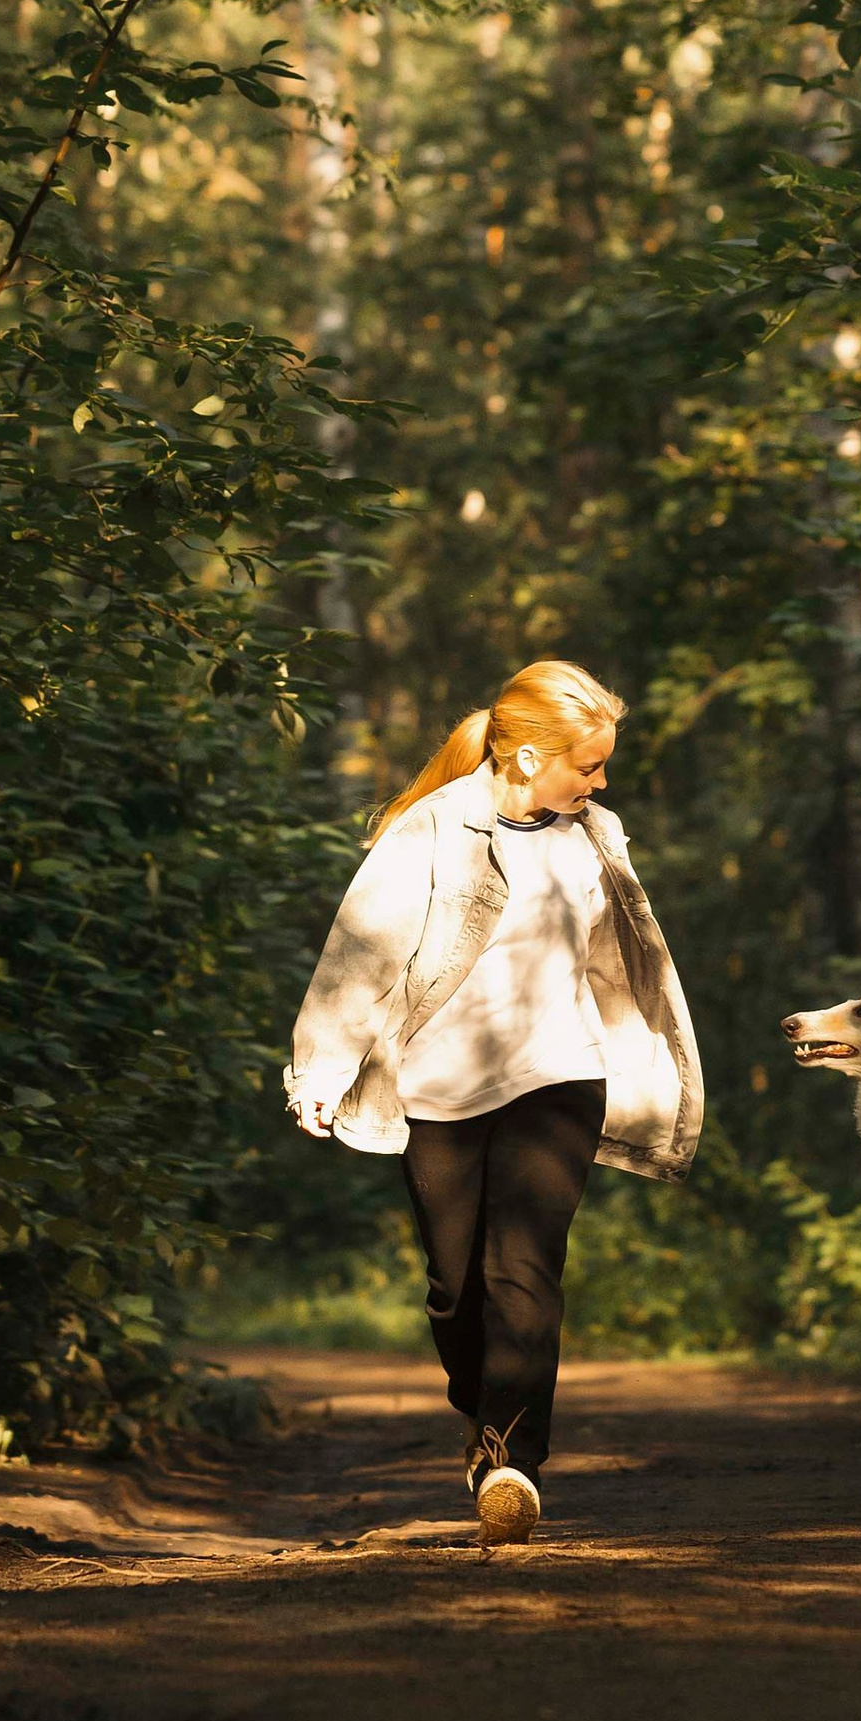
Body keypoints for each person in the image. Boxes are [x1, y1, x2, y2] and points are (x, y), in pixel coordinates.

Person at [284, 658, 701, 1546]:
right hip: (438, 1089)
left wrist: (642, 1067)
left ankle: (511, 1460)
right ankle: (482, 1422)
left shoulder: (595, 834)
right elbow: (361, 955)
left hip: (559, 1075)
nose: (600, 780)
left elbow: (619, 965)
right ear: (522, 757)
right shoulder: (429, 831)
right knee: (454, 1288)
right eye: (586, 764)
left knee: (523, 1272)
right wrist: (320, 1068)